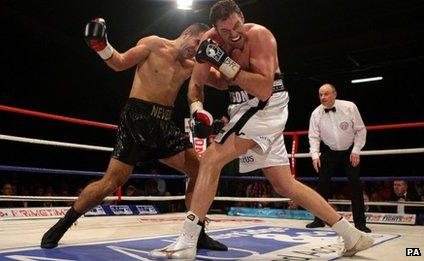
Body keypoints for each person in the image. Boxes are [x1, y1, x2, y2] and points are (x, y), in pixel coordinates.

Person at [149, 0, 373, 259]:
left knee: (210, 159)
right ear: (215, 29)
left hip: (267, 105)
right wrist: (197, 108)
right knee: (284, 184)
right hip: (241, 107)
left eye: (236, 25)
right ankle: (351, 235)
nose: (233, 34)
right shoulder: (209, 43)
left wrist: (223, 62)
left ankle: (187, 241)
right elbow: (196, 83)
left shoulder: (261, 36)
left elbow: (264, 89)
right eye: (225, 31)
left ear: (241, 16)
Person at [40, 19, 228, 251]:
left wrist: (222, 59)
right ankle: (61, 225)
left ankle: (196, 233)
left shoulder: (192, 64)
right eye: (196, 42)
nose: (194, 49)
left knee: (200, 173)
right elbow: (119, 62)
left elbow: (223, 82)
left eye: (200, 47)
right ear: (187, 32)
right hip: (136, 121)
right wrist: (101, 45)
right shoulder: (153, 44)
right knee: (111, 183)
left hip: (164, 124)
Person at [306, 83, 371, 233]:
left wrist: (356, 150)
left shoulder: (349, 107)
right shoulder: (316, 113)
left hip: (349, 150)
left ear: (335, 94)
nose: (323, 97)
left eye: (326, 94)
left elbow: (361, 130)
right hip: (329, 151)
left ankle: (360, 223)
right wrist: (315, 155)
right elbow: (313, 136)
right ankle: (319, 220)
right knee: (321, 184)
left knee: (355, 184)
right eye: (321, 94)